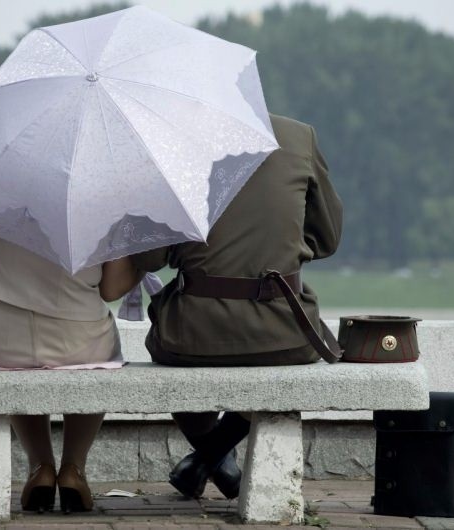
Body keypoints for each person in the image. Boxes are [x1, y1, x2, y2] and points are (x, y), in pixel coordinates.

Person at [130, 114, 343, 499]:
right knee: (273, 359)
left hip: (191, 335)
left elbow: (150, 257)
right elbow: (326, 239)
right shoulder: (299, 137)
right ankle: (218, 457)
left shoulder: (175, 141)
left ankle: (211, 454)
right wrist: (280, 246)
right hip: (285, 332)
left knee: (166, 333)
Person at [0, 237, 141, 513]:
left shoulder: (1, 202)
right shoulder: (103, 205)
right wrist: (141, 265)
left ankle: (40, 468)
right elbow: (111, 288)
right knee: (97, 360)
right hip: (76, 339)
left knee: (17, 367)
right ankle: (73, 468)